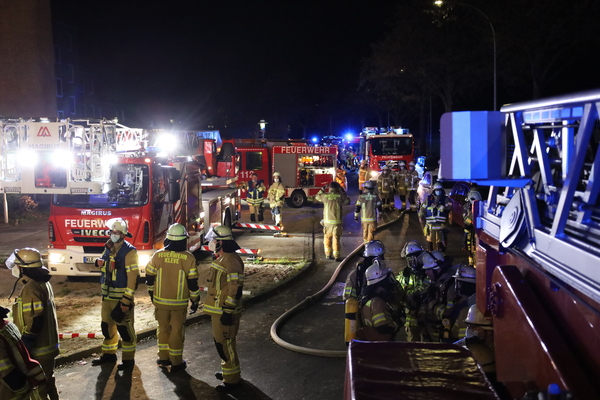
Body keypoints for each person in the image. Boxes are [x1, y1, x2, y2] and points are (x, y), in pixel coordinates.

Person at [145, 223, 200, 373]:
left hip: (160, 302)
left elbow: (149, 277)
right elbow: (193, 283)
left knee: (163, 329)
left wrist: (152, 293)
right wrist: (195, 300)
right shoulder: (188, 258)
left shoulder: (157, 255)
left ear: (168, 238)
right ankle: (176, 362)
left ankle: (163, 358)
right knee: (176, 331)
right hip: (179, 304)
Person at [6, 248, 60, 399]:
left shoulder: (31, 287)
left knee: (38, 388)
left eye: (17, 265)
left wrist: (26, 343)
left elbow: (36, 319)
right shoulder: (41, 283)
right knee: (47, 381)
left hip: (39, 349)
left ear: (23, 267)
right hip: (48, 346)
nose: (15, 268)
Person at [92, 218, 140, 371]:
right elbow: (105, 264)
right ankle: (108, 355)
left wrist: (126, 300)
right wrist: (98, 262)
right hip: (107, 297)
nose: (113, 234)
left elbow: (133, 277)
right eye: (112, 231)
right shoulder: (108, 247)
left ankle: (128, 360)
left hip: (120, 299)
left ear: (123, 234)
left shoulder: (129, 251)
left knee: (125, 331)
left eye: (117, 232)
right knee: (106, 328)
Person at [203, 226, 245, 393]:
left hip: (225, 310)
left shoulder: (231, 260)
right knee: (221, 343)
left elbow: (235, 288)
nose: (212, 242)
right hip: (219, 310)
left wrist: (228, 310)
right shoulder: (223, 258)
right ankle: (228, 372)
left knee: (226, 344)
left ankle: (232, 381)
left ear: (221, 242)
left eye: (214, 240)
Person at [0, 306, 46, 400]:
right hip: (25, 381)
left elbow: (6, 371)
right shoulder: (8, 325)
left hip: (11, 392)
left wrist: (23, 389)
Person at [356, 259, 400, 341]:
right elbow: (383, 328)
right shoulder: (377, 303)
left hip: (370, 343)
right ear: (381, 283)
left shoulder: (367, 298)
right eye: (387, 280)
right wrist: (396, 325)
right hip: (378, 345)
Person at [400, 240, 431, 342]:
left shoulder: (428, 270)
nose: (412, 260)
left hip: (428, 318)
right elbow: (399, 288)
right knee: (413, 345)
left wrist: (413, 294)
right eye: (409, 258)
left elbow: (428, 287)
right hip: (411, 319)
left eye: (415, 257)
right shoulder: (406, 274)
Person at [315, 181, 350, 261]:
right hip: (336, 222)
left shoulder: (325, 196)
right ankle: (336, 256)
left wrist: (322, 189)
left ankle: (328, 254)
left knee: (327, 237)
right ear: (337, 188)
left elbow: (317, 197)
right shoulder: (340, 196)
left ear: (330, 188)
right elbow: (347, 201)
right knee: (336, 238)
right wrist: (343, 191)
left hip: (327, 222)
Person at [419, 181, 452, 251]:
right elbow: (422, 208)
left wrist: (438, 205)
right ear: (434, 190)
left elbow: (448, 208)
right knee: (429, 242)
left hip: (441, 226)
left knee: (440, 242)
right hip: (430, 226)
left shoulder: (446, 199)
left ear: (442, 190)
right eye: (436, 190)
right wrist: (421, 216)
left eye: (439, 190)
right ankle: (430, 254)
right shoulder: (428, 199)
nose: (438, 191)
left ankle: (441, 254)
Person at [463, 189, 482, 266]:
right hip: (469, 232)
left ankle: (475, 265)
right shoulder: (466, 207)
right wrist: (472, 213)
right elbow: (466, 221)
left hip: (477, 233)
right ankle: (471, 263)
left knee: (477, 250)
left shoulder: (481, 207)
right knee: (468, 248)